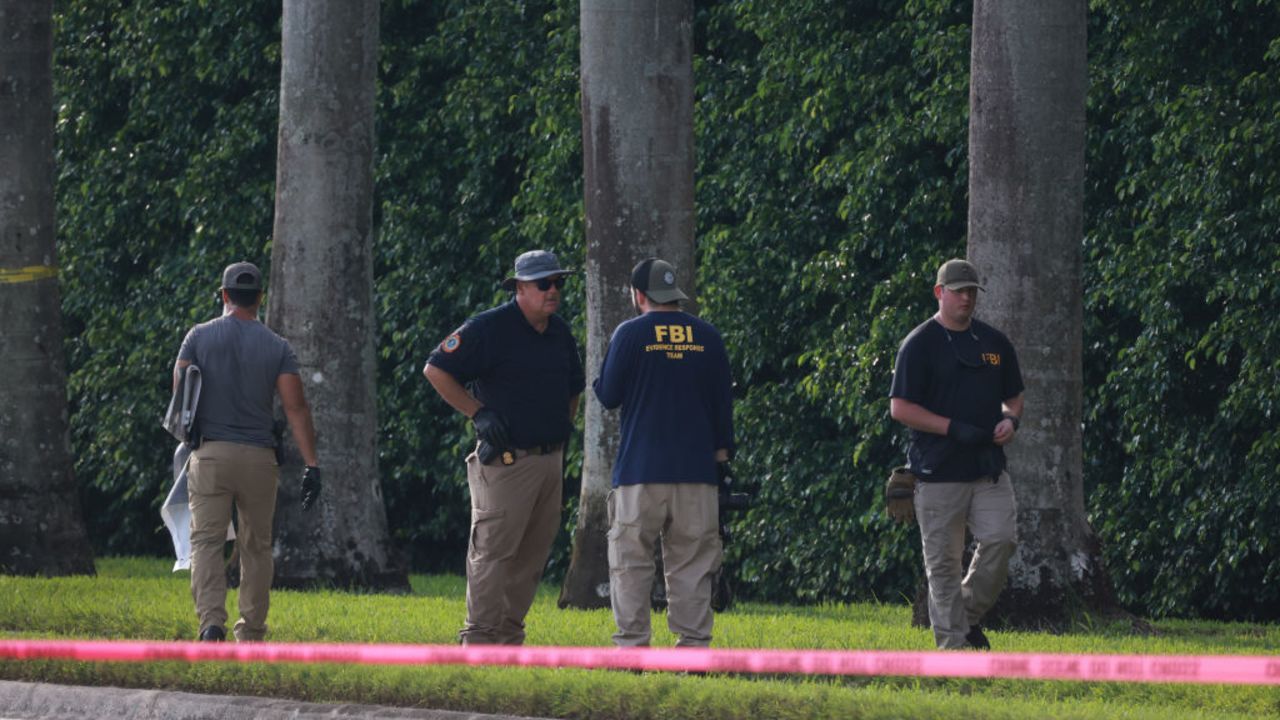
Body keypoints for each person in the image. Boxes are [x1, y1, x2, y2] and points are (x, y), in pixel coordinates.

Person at [423, 250, 584, 646]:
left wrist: (563, 428)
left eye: (558, 283)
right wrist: (478, 413)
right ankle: (477, 638)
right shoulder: (489, 328)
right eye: (544, 284)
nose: (554, 291)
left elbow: (573, 388)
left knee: (532, 556)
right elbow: (436, 369)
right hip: (507, 461)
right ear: (520, 288)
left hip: (549, 459)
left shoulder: (559, 331)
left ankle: (509, 638)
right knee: (493, 552)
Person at [173, 261, 320, 642]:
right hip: (259, 459)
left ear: (224, 296)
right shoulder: (277, 346)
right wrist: (311, 463)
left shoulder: (197, 337)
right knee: (257, 545)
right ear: (259, 298)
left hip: (210, 456)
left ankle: (211, 624)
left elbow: (180, 394)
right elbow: (295, 407)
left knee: (206, 542)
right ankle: (251, 629)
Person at [593, 258, 735, 647]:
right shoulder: (709, 336)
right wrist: (722, 466)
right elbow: (724, 409)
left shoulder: (630, 333)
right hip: (698, 471)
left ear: (639, 295)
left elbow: (608, 395)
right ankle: (692, 649)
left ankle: (633, 647)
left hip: (640, 470)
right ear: (674, 295)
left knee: (631, 563)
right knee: (692, 564)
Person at [889, 258, 1024, 650]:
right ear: (939, 293)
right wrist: (951, 427)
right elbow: (900, 407)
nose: (966, 298)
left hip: (987, 469)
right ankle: (954, 648)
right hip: (936, 471)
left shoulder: (994, 344)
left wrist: (1011, 420)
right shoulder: (919, 344)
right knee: (944, 567)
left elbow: (1013, 394)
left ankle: (963, 618)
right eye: (958, 290)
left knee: (1001, 540)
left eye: (971, 292)